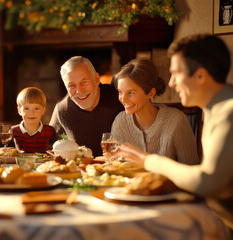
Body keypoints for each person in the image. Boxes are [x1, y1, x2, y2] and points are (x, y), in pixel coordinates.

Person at [114, 34, 233, 234]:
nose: (170, 83)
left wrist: (148, 160)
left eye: (176, 73)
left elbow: (206, 182)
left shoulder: (228, 113)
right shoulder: (215, 110)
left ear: (201, 76)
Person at [111, 58, 199, 165]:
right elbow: (114, 166)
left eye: (131, 93)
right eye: (120, 92)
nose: (123, 99)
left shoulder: (177, 121)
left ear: (151, 93)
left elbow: (191, 168)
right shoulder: (120, 121)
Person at [49, 56, 123, 156]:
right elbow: (49, 149)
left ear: (96, 79)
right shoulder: (62, 110)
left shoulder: (119, 98)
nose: (79, 91)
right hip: (81, 170)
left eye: (84, 82)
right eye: (72, 85)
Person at [11, 87, 57, 153]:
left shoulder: (50, 131)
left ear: (43, 110)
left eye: (36, 108)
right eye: (26, 108)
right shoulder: (13, 132)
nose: (32, 112)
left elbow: (54, 153)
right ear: (19, 110)